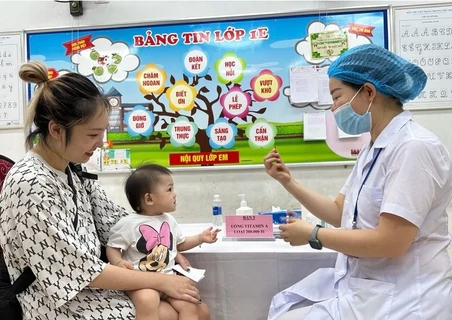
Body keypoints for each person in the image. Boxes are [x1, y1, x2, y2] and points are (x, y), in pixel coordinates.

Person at [0, 61, 209, 319]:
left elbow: (118, 224)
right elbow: (75, 271)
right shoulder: (31, 184)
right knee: (172, 311)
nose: (101, 143)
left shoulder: (72, 171)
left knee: (196, 308)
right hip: (55, 304)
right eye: (93, 134)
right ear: (56, 130)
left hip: (91, 285)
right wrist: (162, 281)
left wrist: (166, 250)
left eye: (103, 133)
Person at [264, 44, 452, 320]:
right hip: (371, 290)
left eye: (337, 96)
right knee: (283, 308)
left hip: (407, 300)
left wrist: (314, 235)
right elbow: (340, 212)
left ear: (368, 92)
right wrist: (287, 181)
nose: (333, 107)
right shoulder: (373, 148)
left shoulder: (414, 147)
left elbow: (391, 242)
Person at [106, 163, 220, 320]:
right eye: (169, 189)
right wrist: (118, 262)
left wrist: (200, 238)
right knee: (148, 300)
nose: (175, 194)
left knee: (189, 303)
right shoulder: (129, 223)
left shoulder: (169, 220)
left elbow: (178, 244)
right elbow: (112, 247)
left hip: (169, 279)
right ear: (149, 198)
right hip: (141, 282)